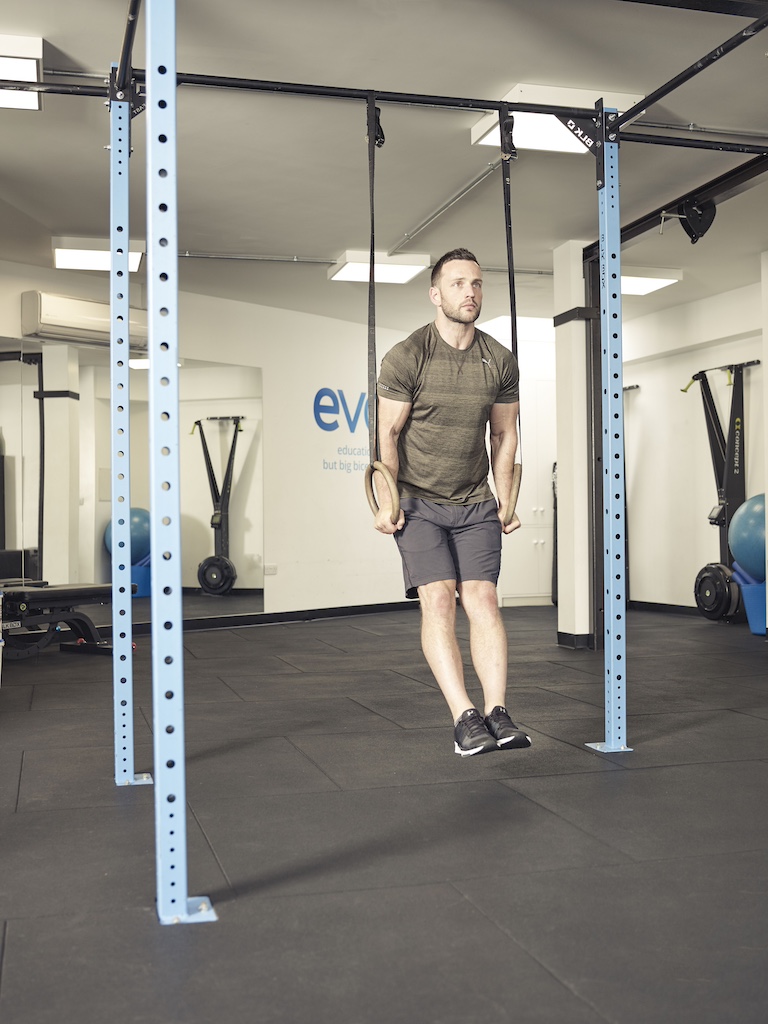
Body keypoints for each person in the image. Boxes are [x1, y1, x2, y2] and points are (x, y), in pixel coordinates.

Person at [373, 247, 531, 757]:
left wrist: (505, 500)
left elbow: (504, 437)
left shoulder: (499, 360)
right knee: (439, 597)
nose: (471, 292)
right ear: (436, 294)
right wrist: (387, 500)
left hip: (475, 500)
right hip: (418, 503)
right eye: (460, 283)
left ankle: (498, 713)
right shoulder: (407, 356)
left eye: (478, 284)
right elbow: (389, 436)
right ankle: (464, 716)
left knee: (482, 599)